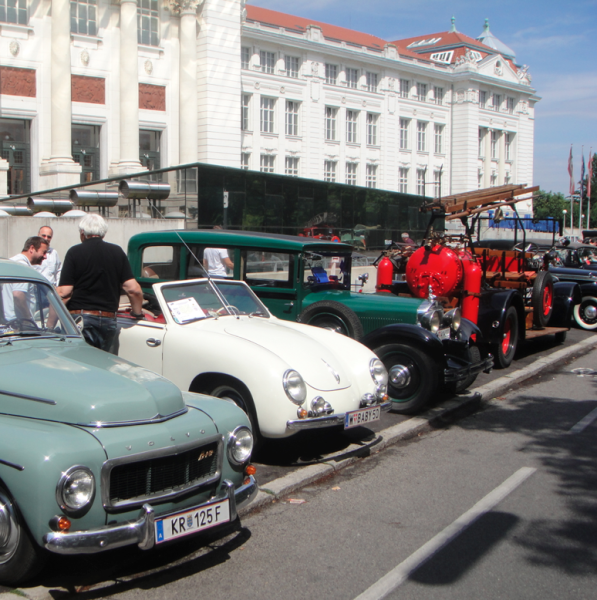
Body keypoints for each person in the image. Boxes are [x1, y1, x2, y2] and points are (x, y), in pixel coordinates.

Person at [57, 214, 143, 353]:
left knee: (80, 364)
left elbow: (64, 293)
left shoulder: (74, 252)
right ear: (103, 233)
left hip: (81, 319)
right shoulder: (117, 252)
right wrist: (137, 313)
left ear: (82, 233)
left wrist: (51, 320)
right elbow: (134, 290)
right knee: (103, 365)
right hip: (108, 320)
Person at [2, 236, 49, 323]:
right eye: (44, 252)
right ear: (32, 248)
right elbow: (18, 295)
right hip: (19, 324)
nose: (45, 256)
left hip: (9, 322)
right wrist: (28, 320)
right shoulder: (22, 267)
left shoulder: (11, 262)